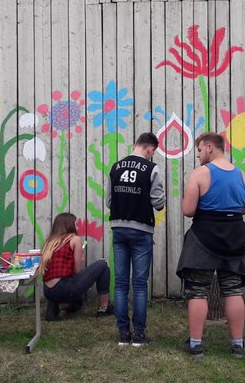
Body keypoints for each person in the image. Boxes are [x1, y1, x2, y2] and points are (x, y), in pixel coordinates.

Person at [176, 132, 245, 359]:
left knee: (198, 291)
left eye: (199, 150)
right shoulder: (241, 175)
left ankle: (196, 344)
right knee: (232, 290)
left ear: (210, 147)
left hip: (204, 237)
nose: (198, 155)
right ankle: (238, 345)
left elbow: (188, 210)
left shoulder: (201, 173)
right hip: (235, 236)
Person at [106, 132, 165, 347]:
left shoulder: (115, 167)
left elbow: (108, 201)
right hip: (141, 229)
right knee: (140, 285)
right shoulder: (152, 169)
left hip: (119, 227)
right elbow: (158, 202)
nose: (152, 156)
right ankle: (139, 335)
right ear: (150, 149)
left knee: (120, 283)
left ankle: (123, 334)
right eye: (153, 152)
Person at [39, 212, 113, 320]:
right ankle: (104, 308)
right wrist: (80, 257)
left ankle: (55, 307)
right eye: (75, 223)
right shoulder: (74, 239)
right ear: (69, 225)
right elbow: (77, 271)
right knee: (103, 264)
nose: (76, 226)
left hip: (48, 291)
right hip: (63, 288)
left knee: (78, 303)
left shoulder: (49, 242)